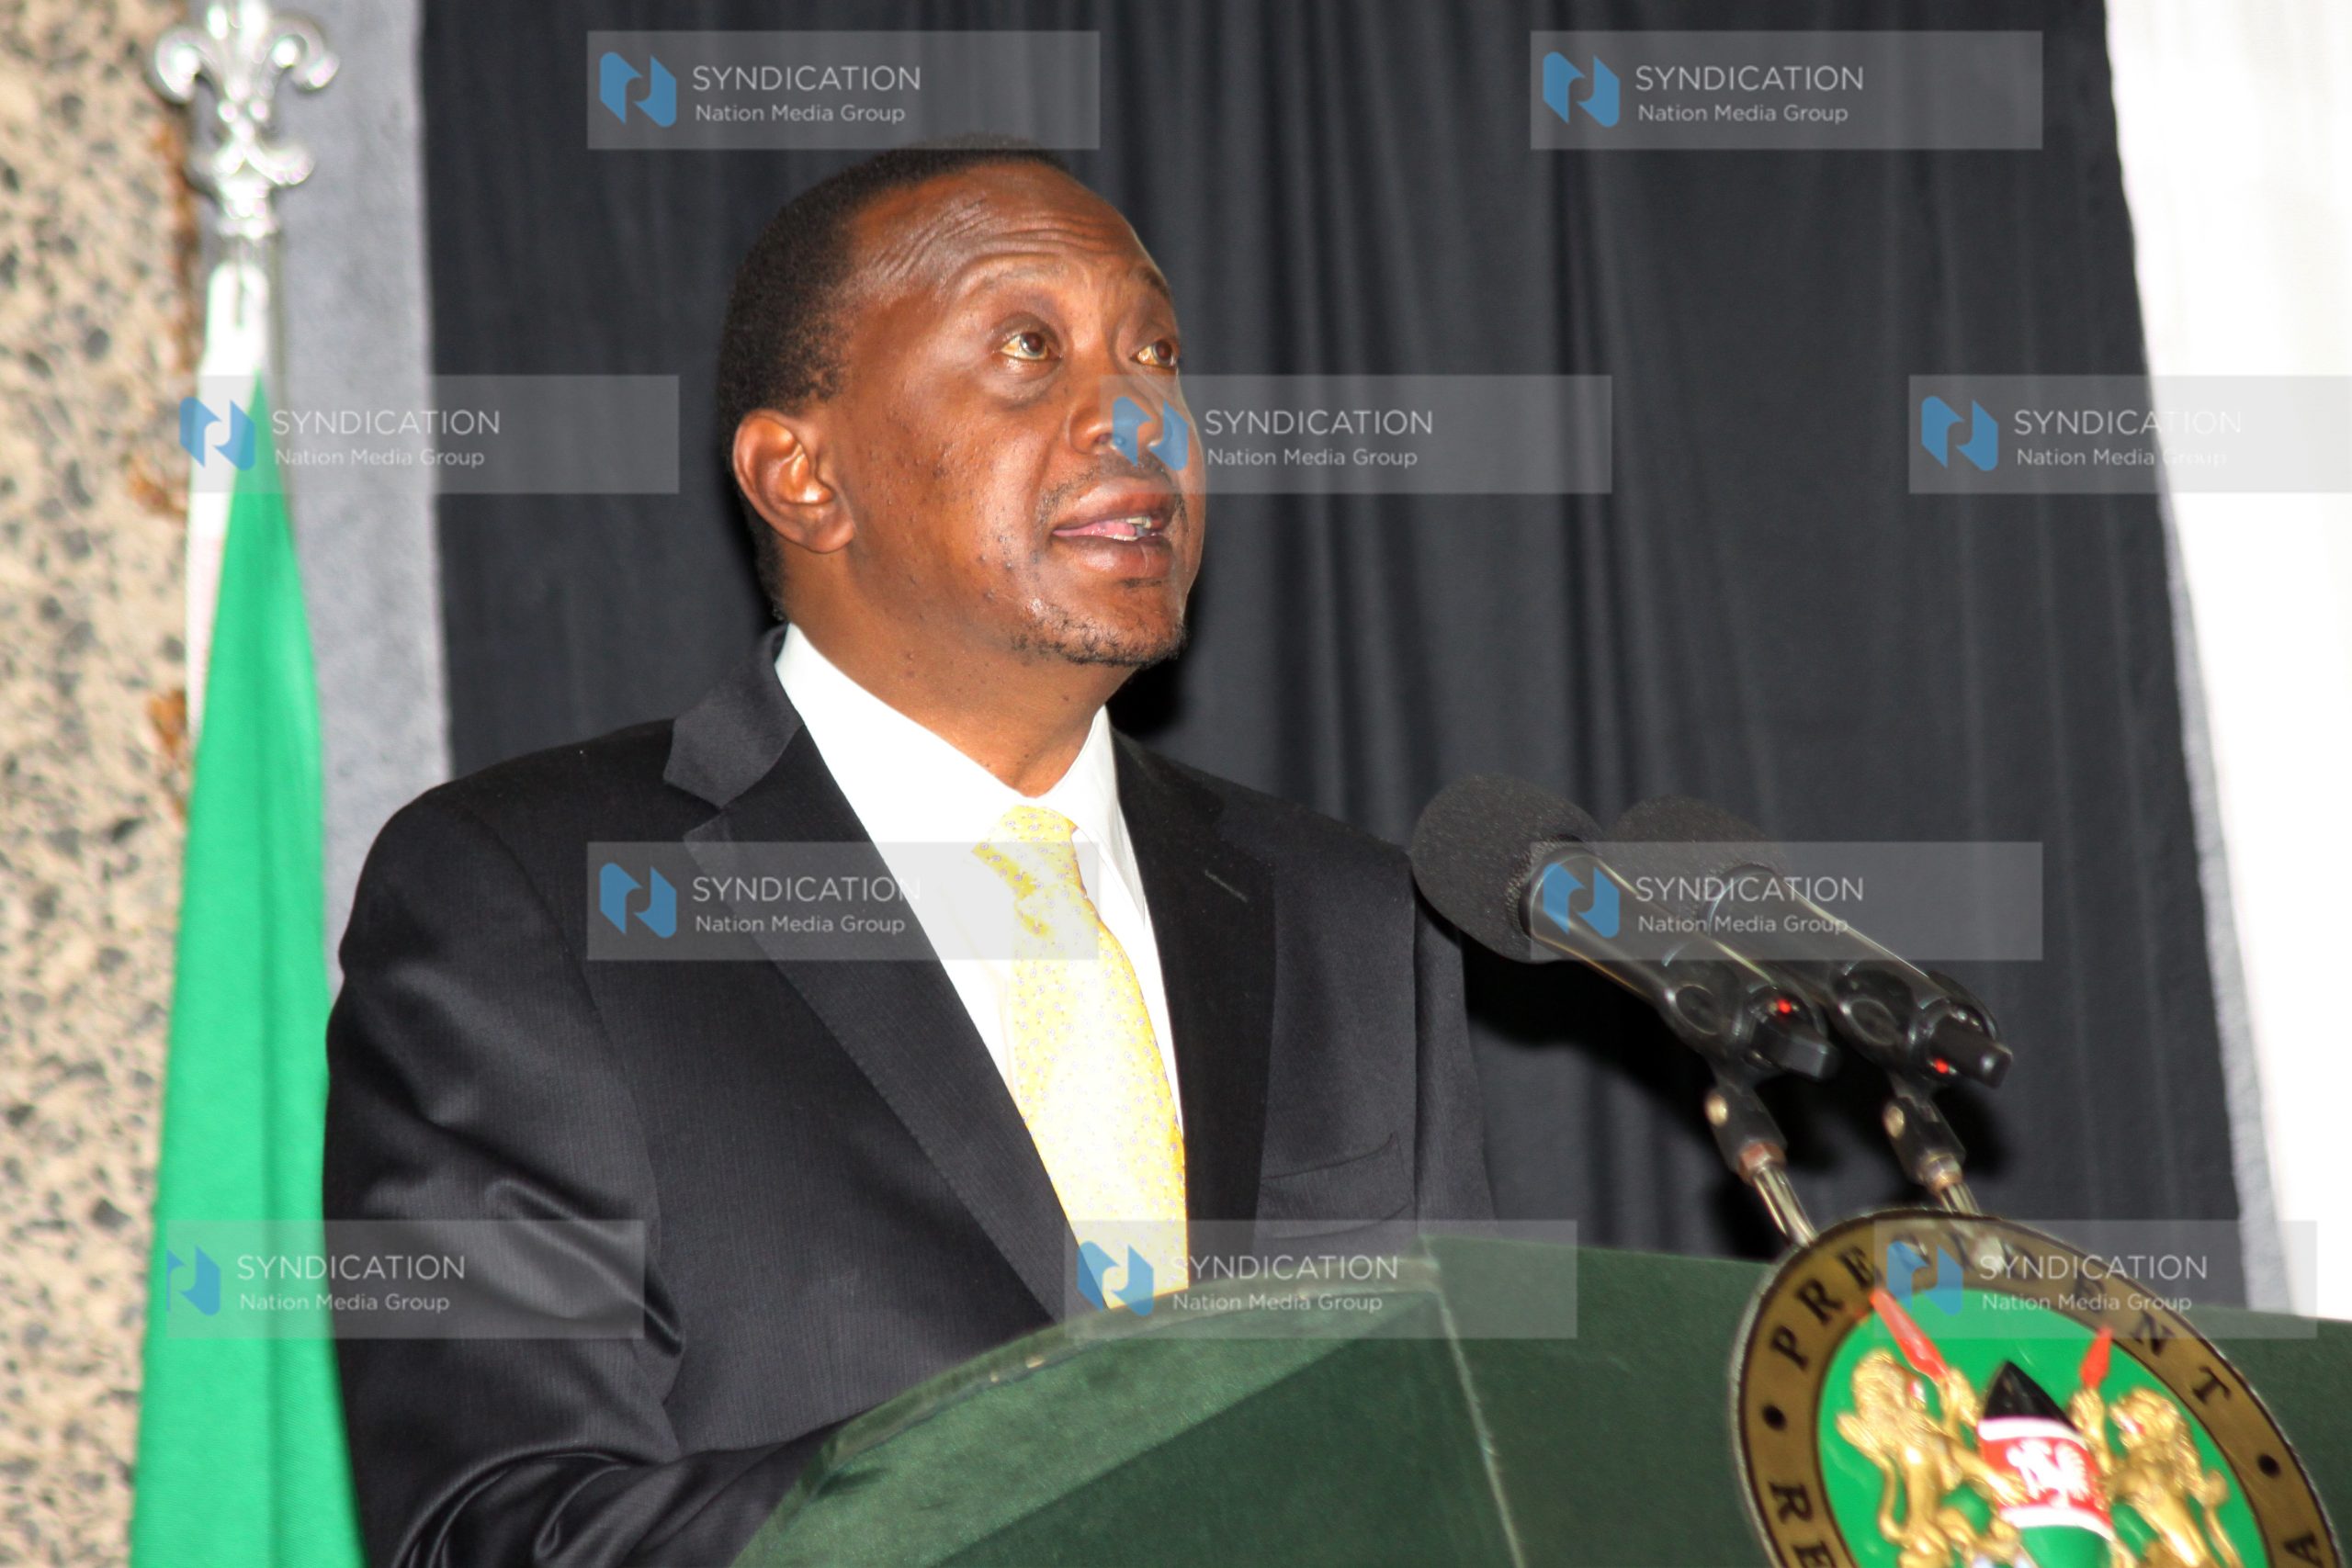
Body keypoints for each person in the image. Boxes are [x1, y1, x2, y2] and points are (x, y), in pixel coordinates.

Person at [325, 141, 1491, 1568]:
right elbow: (500, 1531)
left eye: (1158, 353)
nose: (1137, 414)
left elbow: (1468, 1459)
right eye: (1026, 348)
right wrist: (1057, 1462)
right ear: (802, 475)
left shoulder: (1349, 917)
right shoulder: (528, 896)